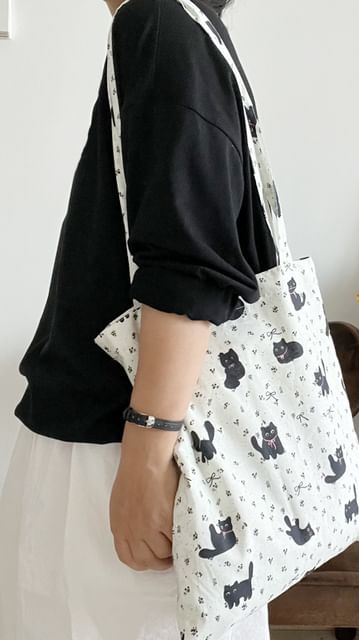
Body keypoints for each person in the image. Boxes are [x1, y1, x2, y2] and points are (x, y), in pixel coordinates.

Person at [0, 0, 276, 637]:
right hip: (138, 441)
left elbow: (191, 267)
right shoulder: (185, 28)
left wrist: (148, 459)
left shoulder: (157, 22)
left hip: (122, 449)